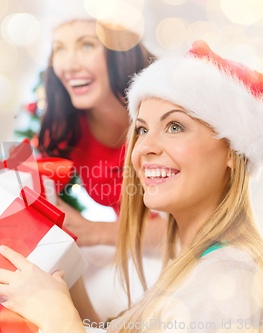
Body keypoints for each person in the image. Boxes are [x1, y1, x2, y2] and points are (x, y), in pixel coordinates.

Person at [0, 40, 263, 333]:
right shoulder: (195, 265)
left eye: (175, 126)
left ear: (232, 151)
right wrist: (63, 271)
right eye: (141, 129)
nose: (143, 149)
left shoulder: (229, 280)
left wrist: (59, 318)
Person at [37, 11, 166, 250]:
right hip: (131, 260)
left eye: (87, 45)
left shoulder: (170, 110)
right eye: (60, 49)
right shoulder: (66, 128)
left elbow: (195, 225)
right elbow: (33, 191)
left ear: (121, 49)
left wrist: (97, 231)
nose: (69, 65)